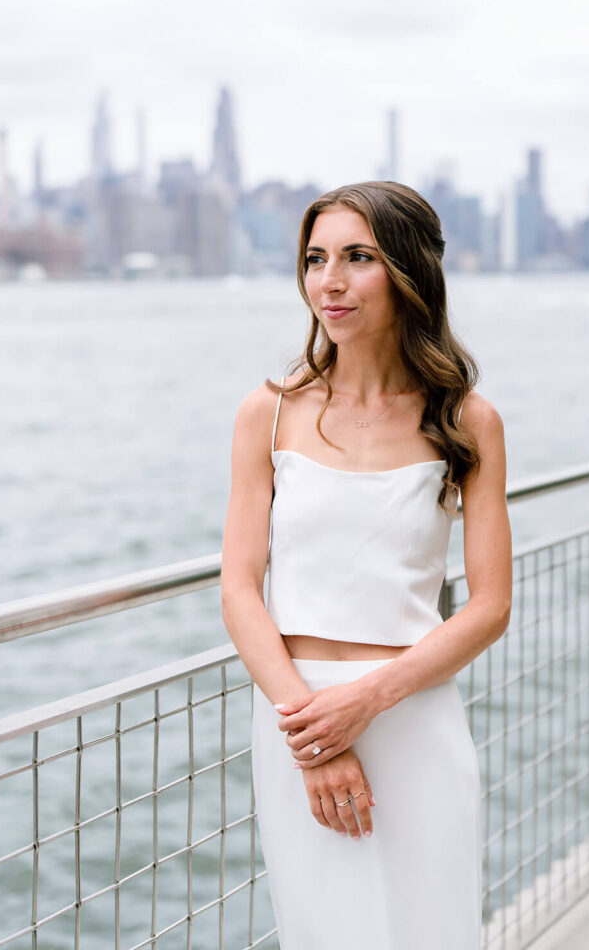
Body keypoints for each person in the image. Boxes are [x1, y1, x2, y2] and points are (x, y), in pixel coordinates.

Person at [221, 180, 511, 949]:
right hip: (296, 722)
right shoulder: (271, 410)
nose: (330, 281)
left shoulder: (467, 419)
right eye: (316, 259)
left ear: (409, 271)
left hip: (412, 716)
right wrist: (313, 733)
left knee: (432, 929)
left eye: (358, 257)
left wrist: (367, 701)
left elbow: (489, 607)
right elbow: (240, 589)